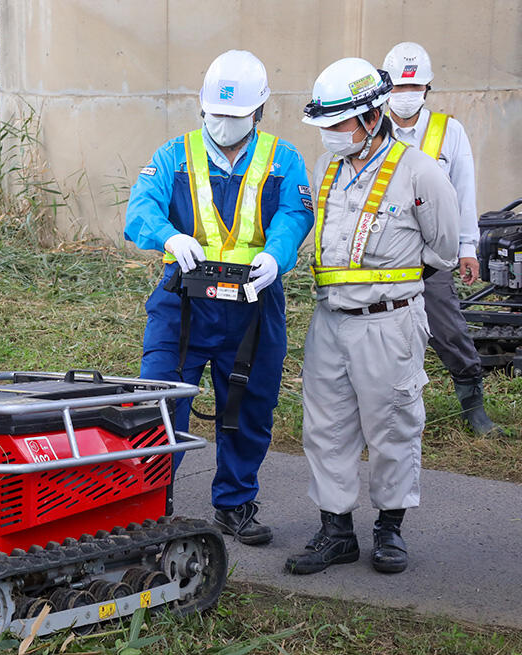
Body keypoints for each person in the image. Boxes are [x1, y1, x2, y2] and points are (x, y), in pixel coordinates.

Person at [125, 50, 313, 547]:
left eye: (234, 116)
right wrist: (167, 236)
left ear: (259, 112)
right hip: (182, 305)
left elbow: (296, 214)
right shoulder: (173, 155)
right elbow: (139, 209)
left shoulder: (283, 158)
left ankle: (234, 503)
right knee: (161, 405)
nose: (223, 124)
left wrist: (277, 256)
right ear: (201, 106)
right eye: (215, 113)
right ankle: (149, 506)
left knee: (249, 408)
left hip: (252, 306)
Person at [290, 57, 458, 576]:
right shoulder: (329, 169)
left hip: (389, 323)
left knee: (392, 426)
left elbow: (444, 248)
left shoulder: (419, 170)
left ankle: (390, 528)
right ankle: (335, 531)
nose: (330, 136)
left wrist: (391, 290)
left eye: (338, 124)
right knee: (325, 427)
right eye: (324, 126)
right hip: (330, 320)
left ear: (371, 115)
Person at [382, 41, 500, 436]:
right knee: (379, 336)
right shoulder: (370, 131)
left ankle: (473, 405)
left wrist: (467, 248)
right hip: (380, 257)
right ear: (385, 89)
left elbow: (463, 193)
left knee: (447, 329)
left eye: (413, 88)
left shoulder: (449, 131)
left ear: (428, 88)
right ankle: (382, 411)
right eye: (398, 87)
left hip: (432, 255)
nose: (405, 96)